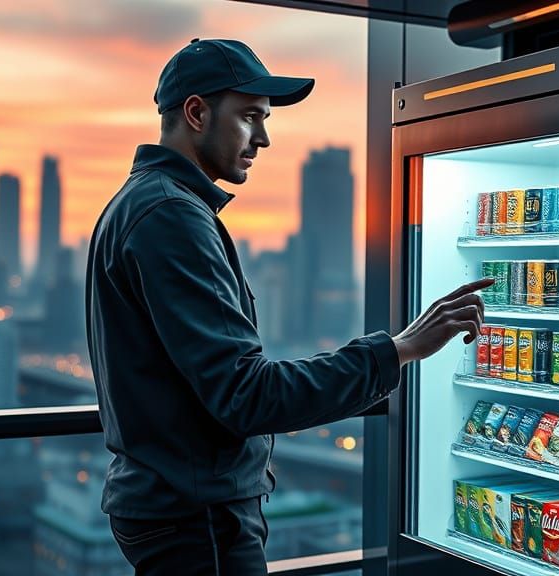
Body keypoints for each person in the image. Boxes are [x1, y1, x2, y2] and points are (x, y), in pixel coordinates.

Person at [85, 38, 491, 576]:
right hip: (196, 517)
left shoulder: (143, 203)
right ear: (196, 112)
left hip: (179, 506)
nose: (264, 138)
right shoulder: (171, 217)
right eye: (250, 116)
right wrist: (397, 350)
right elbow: (247, 394)